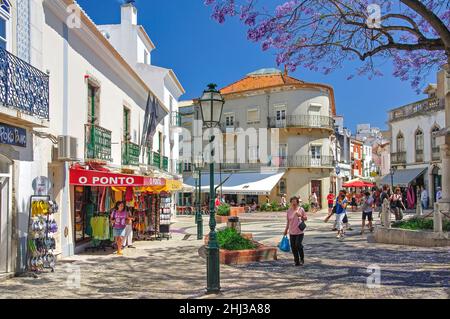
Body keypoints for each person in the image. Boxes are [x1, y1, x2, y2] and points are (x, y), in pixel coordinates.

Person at [283, 196, 308, 266]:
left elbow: (305, 219)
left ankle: (302, 258)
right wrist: (286, 230)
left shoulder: (301, 209)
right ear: (290, 203)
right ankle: (296, 261)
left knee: (298, 244)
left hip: (299, 231)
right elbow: (288, 222)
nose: (294, 203)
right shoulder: (289, 211)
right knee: (293, 247)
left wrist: (301, 216)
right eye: (292, 202)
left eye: (295, 202)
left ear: (297, 202)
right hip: (292, 232)